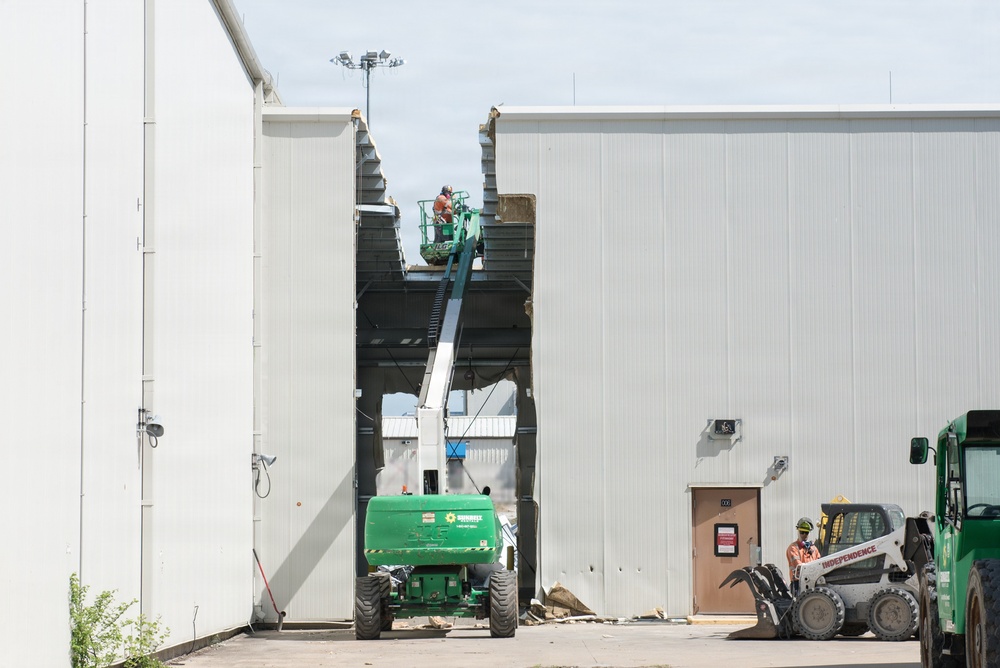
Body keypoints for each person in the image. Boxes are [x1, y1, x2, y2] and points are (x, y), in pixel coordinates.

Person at [786, 517, 820, 595]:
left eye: (806, 533)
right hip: (798, 583)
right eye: (802, 532)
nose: (804, 535)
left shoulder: (813, 548)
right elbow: (799, 566)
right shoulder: (793, 548)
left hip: (813, 582)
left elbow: (819, 563)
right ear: (798, 532)